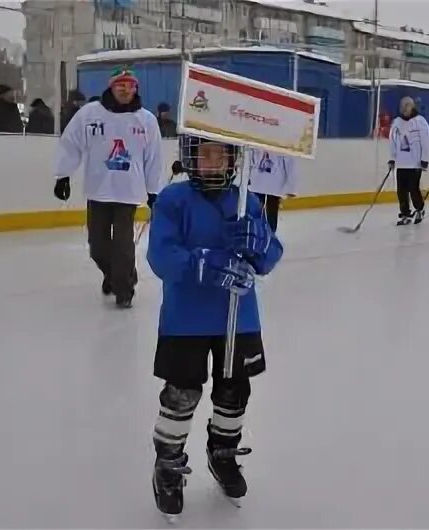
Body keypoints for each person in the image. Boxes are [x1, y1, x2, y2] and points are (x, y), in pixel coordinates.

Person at [147, 136, 283, 518]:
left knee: (234, 390)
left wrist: (261, 243)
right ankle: (168, 465)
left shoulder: (247, 201)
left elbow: (271, 257)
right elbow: (161, 255)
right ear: (190, 156)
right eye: (203, 153)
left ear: (232, 158)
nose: (211, 161)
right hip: (185, 318)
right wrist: (201, 264)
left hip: (238, 317)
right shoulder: (173, 200)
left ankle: (222, 453)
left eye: (219, 154)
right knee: (182, 393)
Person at [53, 66, 163, 308]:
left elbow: (153, 158)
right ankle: (116, 275)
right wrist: (63, 175)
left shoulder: (146, 120)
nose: (126, 90)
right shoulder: (89, 114)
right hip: (98, 190)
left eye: (131, 85)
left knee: (123, 245)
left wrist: (153, 191)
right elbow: (71, 143)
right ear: (111, 86)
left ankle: (124, 290)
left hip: (128, 193)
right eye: (120, 85)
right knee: (98, 247)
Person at [388, 96, 429, 225]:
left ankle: (420, 209)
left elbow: (425, 141)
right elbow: (393, 141)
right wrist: (392, 158)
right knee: (401, 190)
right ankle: (405, 213)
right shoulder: (397, 123)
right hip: (401, 163)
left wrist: (424, 159)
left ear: (412, 108)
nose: (404, 110)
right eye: (403, 108)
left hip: (415, 163)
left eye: (407, 107)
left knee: (413, 188)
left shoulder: (420, 122)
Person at [247, 149, 297, 231]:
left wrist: (291, 186)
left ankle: (269, 235)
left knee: (270, 212)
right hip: (257, 182)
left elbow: (290, 159)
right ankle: (257, 234)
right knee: (256, 210)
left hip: (273, 185)